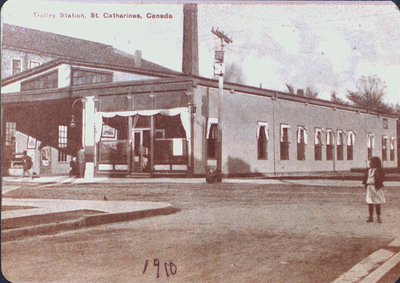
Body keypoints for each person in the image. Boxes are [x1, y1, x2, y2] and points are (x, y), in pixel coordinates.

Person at [362, 156, 385, 223]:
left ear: (376, 163)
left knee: (377, 202)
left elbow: (382, 178)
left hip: (376, 187)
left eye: (371, 163)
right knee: (370, 202)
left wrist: (379, 183)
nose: (370, 164)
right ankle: (371, 217)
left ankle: (378, 217)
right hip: (369, 187)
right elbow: (365, 178)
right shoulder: (369, 171)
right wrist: (365, 185)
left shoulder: (379, 170)